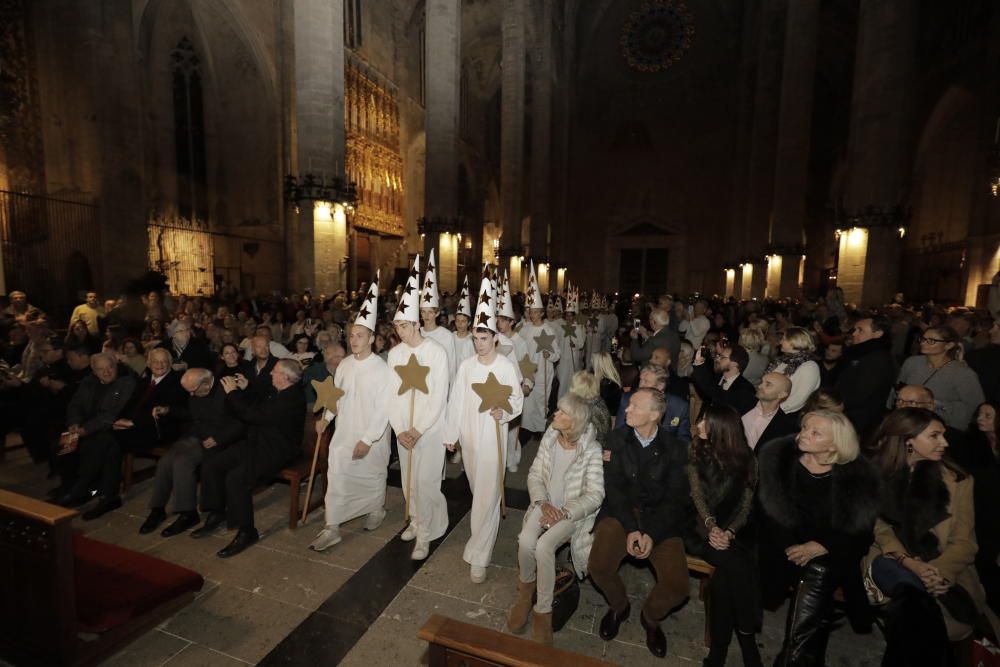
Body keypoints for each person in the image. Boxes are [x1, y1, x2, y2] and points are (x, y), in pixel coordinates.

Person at [864, 408, 1000, 665]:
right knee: (915, 602)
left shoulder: (958, 480)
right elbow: (879, 529)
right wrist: (910, 563)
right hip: (888, 560)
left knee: (914, 613)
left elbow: (965, 542)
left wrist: (937, 572)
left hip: (943, 570)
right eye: (935, 436)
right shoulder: (877, 473)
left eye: (944, 435)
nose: (945, 443)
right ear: (909, 441)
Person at [757, 410, 880, 666]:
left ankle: (791, 658)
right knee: (816, 580)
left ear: (835, 444)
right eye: (804, 428)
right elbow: (768, 513)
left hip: (832, 551)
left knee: (820, 569)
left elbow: (861, 531)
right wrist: (794, 546)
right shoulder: (779, 458)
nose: (803, 435)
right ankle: (800, 657)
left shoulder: (858, 474)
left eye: (815, 433)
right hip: (781, 545)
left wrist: (821, 545)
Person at [588, 388, 690, 658]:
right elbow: (615, 489)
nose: (626, 410)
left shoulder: (676, 449)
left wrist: (651, 534)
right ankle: (619, 607)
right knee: (598, 566)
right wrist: (632, 528)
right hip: (623, 514)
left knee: (678, 585)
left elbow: (675, 499)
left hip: (661, 519)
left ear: (655, 415)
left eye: (634, 406)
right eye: (628, 405)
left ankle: (651, 617)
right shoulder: (615, 438)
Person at [443, 279, 523, 582]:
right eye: (476, 339)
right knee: (480, 494)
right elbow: (455, 402)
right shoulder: (466, 367)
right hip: (470, 438)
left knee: (487, 496)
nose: (479, 344)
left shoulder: (504, 367)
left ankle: (480, 554)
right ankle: (482, 536)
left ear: (494, 338)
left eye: (484, 338)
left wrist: (506, 412)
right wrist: (451, 434)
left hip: (493, 437)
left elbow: (517, 399)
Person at [508, 392, 604, 645]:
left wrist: (565, 511)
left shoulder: (591, 449)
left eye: (562, 413)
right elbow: (535, 474)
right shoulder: (550, 438)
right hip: (545, 504)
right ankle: (525, 591)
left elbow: (596, 494)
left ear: (574, 421)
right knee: (526, 540)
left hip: (572, 513)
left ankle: (543, 610)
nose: (555, 414)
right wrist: (543, 501)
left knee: (544, 546)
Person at [310, 279, 393, 552]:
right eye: (351, 336)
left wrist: (368, 440)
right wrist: (326, 418)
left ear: (371, 338)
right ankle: (331, 526)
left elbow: (384, 409)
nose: (354, 340)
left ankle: (375, 510)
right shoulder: (344, 365)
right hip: (345, 433)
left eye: (360, 336)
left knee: (371, 475)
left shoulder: (382, 369)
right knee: (338, 476)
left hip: (371, 436)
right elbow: (337, 396)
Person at [194, 359, 306, 558]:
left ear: (285, 378)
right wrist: (246, 388)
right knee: (213, 463)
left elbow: (252, 415)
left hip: (278, 448)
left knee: (237, 478)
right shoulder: (279, 390)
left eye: (275, 371)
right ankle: (217, 511)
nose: (271, 373)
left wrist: (233, 393)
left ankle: (247, 531)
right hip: (259, 440)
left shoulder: (292, 398)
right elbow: (259, 402)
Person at [385, 255, 450, 561]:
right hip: (404, 430)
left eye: (403, 325)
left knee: (425, 482)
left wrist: (417, 429)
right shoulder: (395, 354)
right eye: (396, 325)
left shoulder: (435, 352)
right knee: (408, 480)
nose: (399, 331)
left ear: (414, 323)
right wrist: (400, 428)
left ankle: (425, 536)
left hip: (429, 428)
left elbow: (438, 396)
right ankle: (414, 520)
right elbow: (391, 395)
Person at [686, 405, 762, 667]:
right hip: (698, 529)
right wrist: (713, 527)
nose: (699, 425)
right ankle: (748, 640)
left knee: (726, 578)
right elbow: (696, 496)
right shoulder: (695, 451)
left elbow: (746, 506)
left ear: (723, 429)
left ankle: (718, 652)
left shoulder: (749, 460)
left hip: (735, 533)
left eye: (706, 422)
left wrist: (729, 531)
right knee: (739, 568)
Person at [140, 368, 246, 537]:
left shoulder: (227, 390)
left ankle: (188, 513)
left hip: (219, 441)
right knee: (165, 462)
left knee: (182, 463)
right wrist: (168, 410)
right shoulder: (195, 392)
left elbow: (242, 421)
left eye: (192, 390)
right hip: (197, 435)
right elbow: (192, 414)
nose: (190, 395)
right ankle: (157, 509)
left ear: (205, 384)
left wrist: (218, 438)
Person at [55, 352, 137, 520]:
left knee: (101, 446)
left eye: (110, 367)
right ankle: (74, 487)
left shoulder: (127, 381)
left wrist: (85, 430)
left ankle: (100, 494)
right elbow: (75, 404)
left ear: (116, 365)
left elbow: (111, 414)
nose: (106, 372)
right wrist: (74, 423)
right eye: (100, 369)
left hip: (114, 428)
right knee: (62, 446)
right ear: (93, 370)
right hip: (87, 427)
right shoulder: (88, 381)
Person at [893, 326, 985, 430]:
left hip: (940, 427)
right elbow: (897, 389)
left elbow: (976, 408)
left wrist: (935, 404)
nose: (923, 343)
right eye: (922, 339)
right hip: (907, 422)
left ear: (948, 345)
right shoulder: (912, 362)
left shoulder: (962, 373)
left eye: (931, 341)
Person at [112, 347, 185, 456]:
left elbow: (168, 414)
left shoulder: (177, 383)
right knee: (105, 437)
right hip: (136, 425)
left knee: (112, 441)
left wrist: (133, 423)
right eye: (155, 361)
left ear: (170, 363)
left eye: (163, 361)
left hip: (159, 429)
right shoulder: (144, 381)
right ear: (149, 364)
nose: (159, 365)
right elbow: (130, 403)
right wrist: (118, 420)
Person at [964, 402, 1000, 614]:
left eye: (988, 415)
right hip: (976, 514)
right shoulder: (970, 444)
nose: (981, 419)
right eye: (979, 414)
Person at [834, 316, 896, 439]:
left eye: (860, 330)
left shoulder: (878, 358)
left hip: (857, 419)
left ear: (877, 334)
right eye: (855, 329)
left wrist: (835, 405)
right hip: (847, 414)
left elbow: (863, 393)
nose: (854, 333)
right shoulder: (860, 352)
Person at [519, 262, 560, 438]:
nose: (533, 314)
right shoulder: (525, 328)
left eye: (536, 311)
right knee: (527, 402)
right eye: (531, 311)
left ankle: (540, 428)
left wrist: (548, 354)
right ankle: (527, 428)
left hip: (543, 370)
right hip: (528, 370)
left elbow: (556, 354)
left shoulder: (549, 330)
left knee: (540, 400)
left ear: (542, 313)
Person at [614, 363, 691, 443]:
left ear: (660, 386)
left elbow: (684, 440)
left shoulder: (679, 406)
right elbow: (619, 433)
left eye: (646, 381)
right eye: (640, 380)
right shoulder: (627, 399)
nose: (640, 385)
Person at [418, 249, 457, 382]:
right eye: (423, 311)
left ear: (437, 313)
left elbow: (451, 367)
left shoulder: (446, 336)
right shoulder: (417, 333)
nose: (426, 316)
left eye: (430, 312)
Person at [767, 327, 821, 414]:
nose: (780, 342)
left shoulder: (810, 367)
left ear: (793, 342)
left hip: (785, 415)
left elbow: (799, 398)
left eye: (784, 339)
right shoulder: (783, 361)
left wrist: (772, 410)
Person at [691, 344, 756, 416]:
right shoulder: (717, 375)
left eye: (722, 357)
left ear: (734, 364)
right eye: (718, 355)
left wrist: (699, 363)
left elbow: (718, 394)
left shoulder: (745, 389)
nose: (717, 359)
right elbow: (706, 392)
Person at [742, 372, 797, 451]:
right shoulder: (742, 401)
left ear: (781, 394)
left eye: (768, 384)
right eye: (762, 382)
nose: (760, 386)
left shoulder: (786, 427)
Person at [591, 351, 622, 421]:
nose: (592, 364)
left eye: (593, 362)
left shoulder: (607, 385)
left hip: (604, 420)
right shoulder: (611, 381)